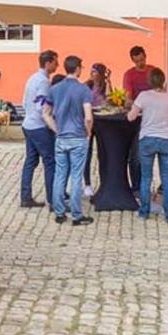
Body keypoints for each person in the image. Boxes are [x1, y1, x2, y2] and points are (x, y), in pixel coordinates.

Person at [43, 55, 94, 226]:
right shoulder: (84, 90)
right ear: (78, 69)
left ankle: (59, 212)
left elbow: (46, 113)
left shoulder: (55, 89)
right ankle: (76, 215)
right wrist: (88, 132)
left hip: (61, 138)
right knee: (76, 176)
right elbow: (88, 116)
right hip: (78, 137)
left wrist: (56, 129)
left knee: (60, 175)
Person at [128, 68, 168, 223]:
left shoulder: (143, 96)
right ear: (163, 81)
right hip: (167, 137)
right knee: (166, 177)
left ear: (149, 81)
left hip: (148, 137)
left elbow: (131, 117)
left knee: (146, 177)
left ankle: (144, 212)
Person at [19, 49, 58, 209]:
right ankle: (53, 200)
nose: (57, 65)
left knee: (30, 161)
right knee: (50, 162)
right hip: (39, 127)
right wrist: (51, 120)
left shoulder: (32, 78)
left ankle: (25, 196)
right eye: (55, 62)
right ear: (48, 63)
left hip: (28, 124)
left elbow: (24, 102)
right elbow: (41, 106)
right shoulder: (43, 82)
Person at [82, 62, 110, 195]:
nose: (93, 74)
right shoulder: (87, 86)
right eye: (92, 72)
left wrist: (108, 83)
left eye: (95, 72)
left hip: (101, 120)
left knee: (102, 152)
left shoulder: (105, 86)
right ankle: (87, 183)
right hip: (88, 119)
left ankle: (104, 182)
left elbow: (110, 102)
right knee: (87, 152)